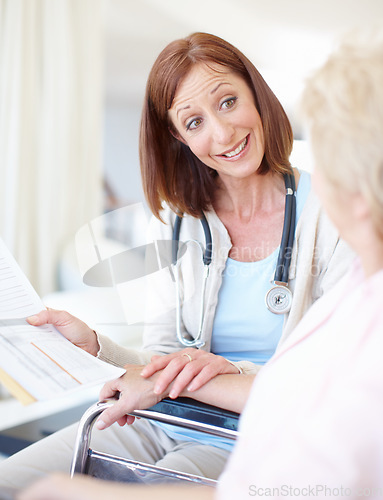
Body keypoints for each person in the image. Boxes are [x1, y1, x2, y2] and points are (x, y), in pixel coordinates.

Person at [16, 28, 383, 500]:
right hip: (168, 414)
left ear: (255, 92)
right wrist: (97, 347)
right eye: (194, 122)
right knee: (16, 482)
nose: (222, 133)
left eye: (228, 102)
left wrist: (209, 373)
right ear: (178, 137)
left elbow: (321, 384)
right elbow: (163, 357)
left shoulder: (336, 212)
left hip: (254, 432)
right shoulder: (177, 221)